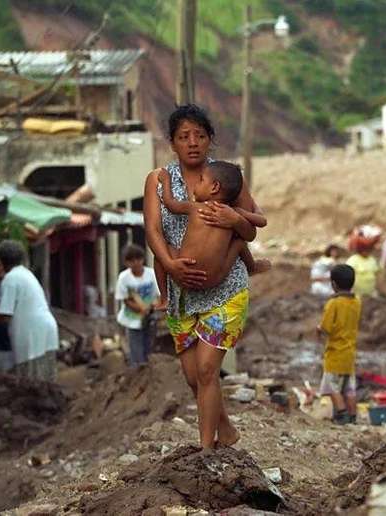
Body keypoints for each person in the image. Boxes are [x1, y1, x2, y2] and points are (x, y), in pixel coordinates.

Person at [143, 104, 264, 449]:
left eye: (200, 135)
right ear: (173, 143)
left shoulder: (225, 176)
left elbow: (251, 229)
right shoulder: (158, 180)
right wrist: (170, 263)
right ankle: (225, 430)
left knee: (209, 370)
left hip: (226, 291)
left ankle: (206, 451)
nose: (192, 142)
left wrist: (234, 221)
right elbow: (152, 229)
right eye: (184, 136)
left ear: (210, 140)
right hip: (182, 293)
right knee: (194, 377)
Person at [154, 160, 267, 307]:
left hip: (186, 272)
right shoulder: (232, 213)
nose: (196, 185)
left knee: (160, 253)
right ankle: (252, 267)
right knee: (239, 243)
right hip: (214, 278)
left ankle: (164, 298)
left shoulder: (194, 208)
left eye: (201, 180)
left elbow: (170, 204)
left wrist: (166, 180)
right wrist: (238, 217)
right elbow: (262, 222)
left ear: (214, 187)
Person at [0, 240, 59, 381]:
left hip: (33, 336)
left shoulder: (10, 279)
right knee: (45, 381)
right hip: (46, 332)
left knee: (32, 382)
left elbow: (5, 313)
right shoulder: (25, 274)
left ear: (2, 259)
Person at [316, 264, 361, 425]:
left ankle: (341, 415)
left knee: (331, 387)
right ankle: (353, 417)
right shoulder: (356, 302)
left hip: (335, 353)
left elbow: (326, 327)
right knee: (349, 388)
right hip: (349, 353)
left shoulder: (333, 304)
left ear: (333, 284)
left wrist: (319, 329)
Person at [115, 244, 160, 367]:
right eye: (131, 260)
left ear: (143, 259)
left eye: (138, 259)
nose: (136, 263)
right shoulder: (124, 278)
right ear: (126, 262)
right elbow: (125, 300)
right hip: (132, 320)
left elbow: (158, 295)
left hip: (150, 317)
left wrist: (153, 306)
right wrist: (140, 309)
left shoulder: (151, 274)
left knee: (149, 347)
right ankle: (136, 371)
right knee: (136, 349)